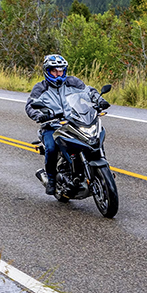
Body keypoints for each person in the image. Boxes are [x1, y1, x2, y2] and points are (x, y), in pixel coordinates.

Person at [25, 54, 110, 195]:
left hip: (74, 122)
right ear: (47, 71)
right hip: (52, 125)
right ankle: (51, 179)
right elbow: (30, 105)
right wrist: (41, 115)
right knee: (51, 148)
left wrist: (99, 100)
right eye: (54, 71)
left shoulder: (72, 82)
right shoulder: (40, 88)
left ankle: (102, 169)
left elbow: (88, 91)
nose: (58, 74)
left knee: (96, 137)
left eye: (61, 70)